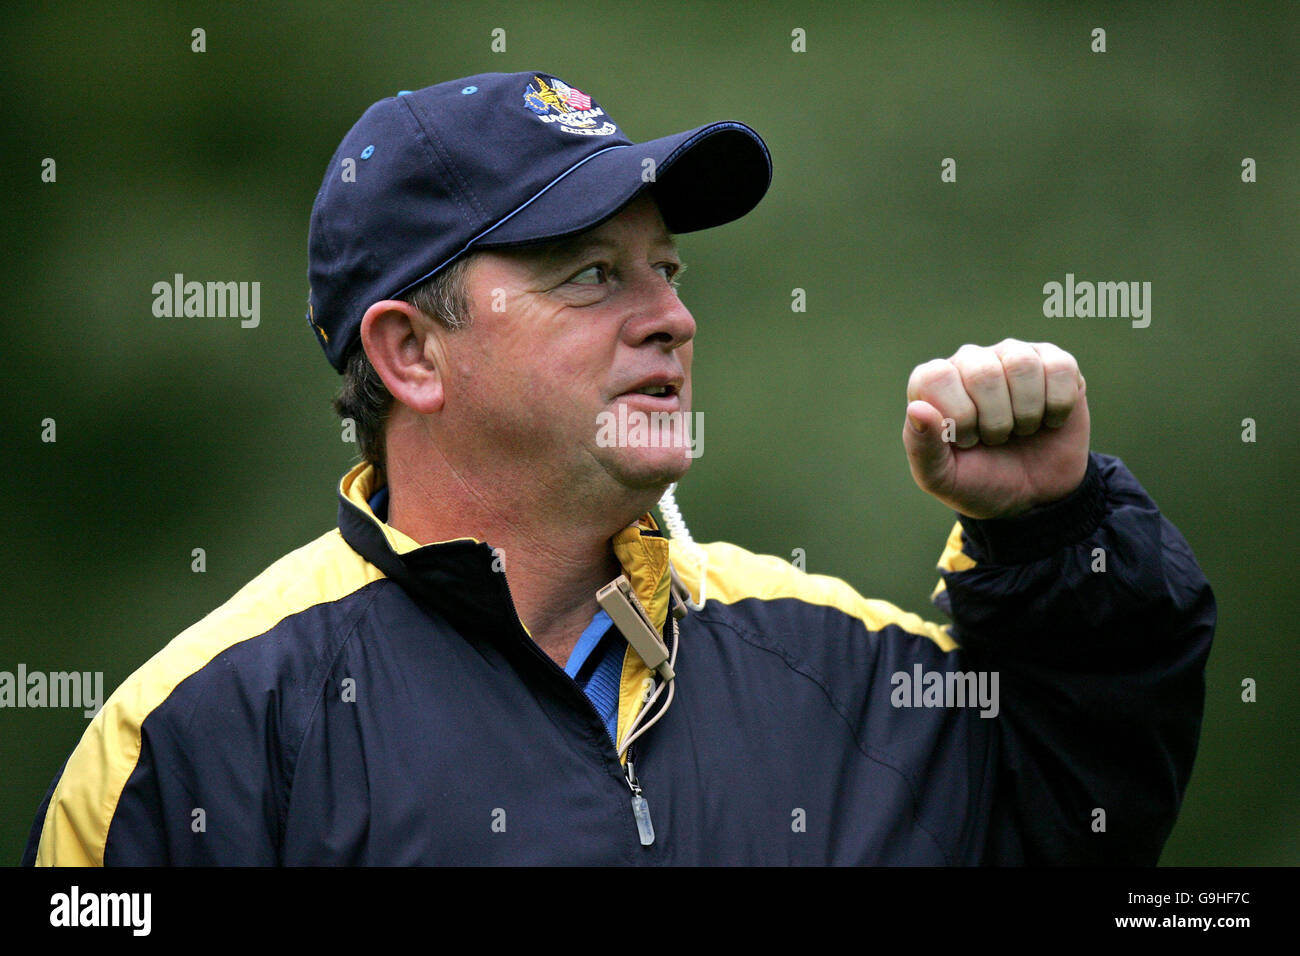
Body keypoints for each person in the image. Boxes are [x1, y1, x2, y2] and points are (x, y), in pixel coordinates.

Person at [23, 71, 1214, 866]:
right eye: (592, 274)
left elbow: (1078, 815)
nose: (671, 319)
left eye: (668, 269)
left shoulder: (840, 670)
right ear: (411, 353)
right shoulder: (195, 738)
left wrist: (1055, 536)